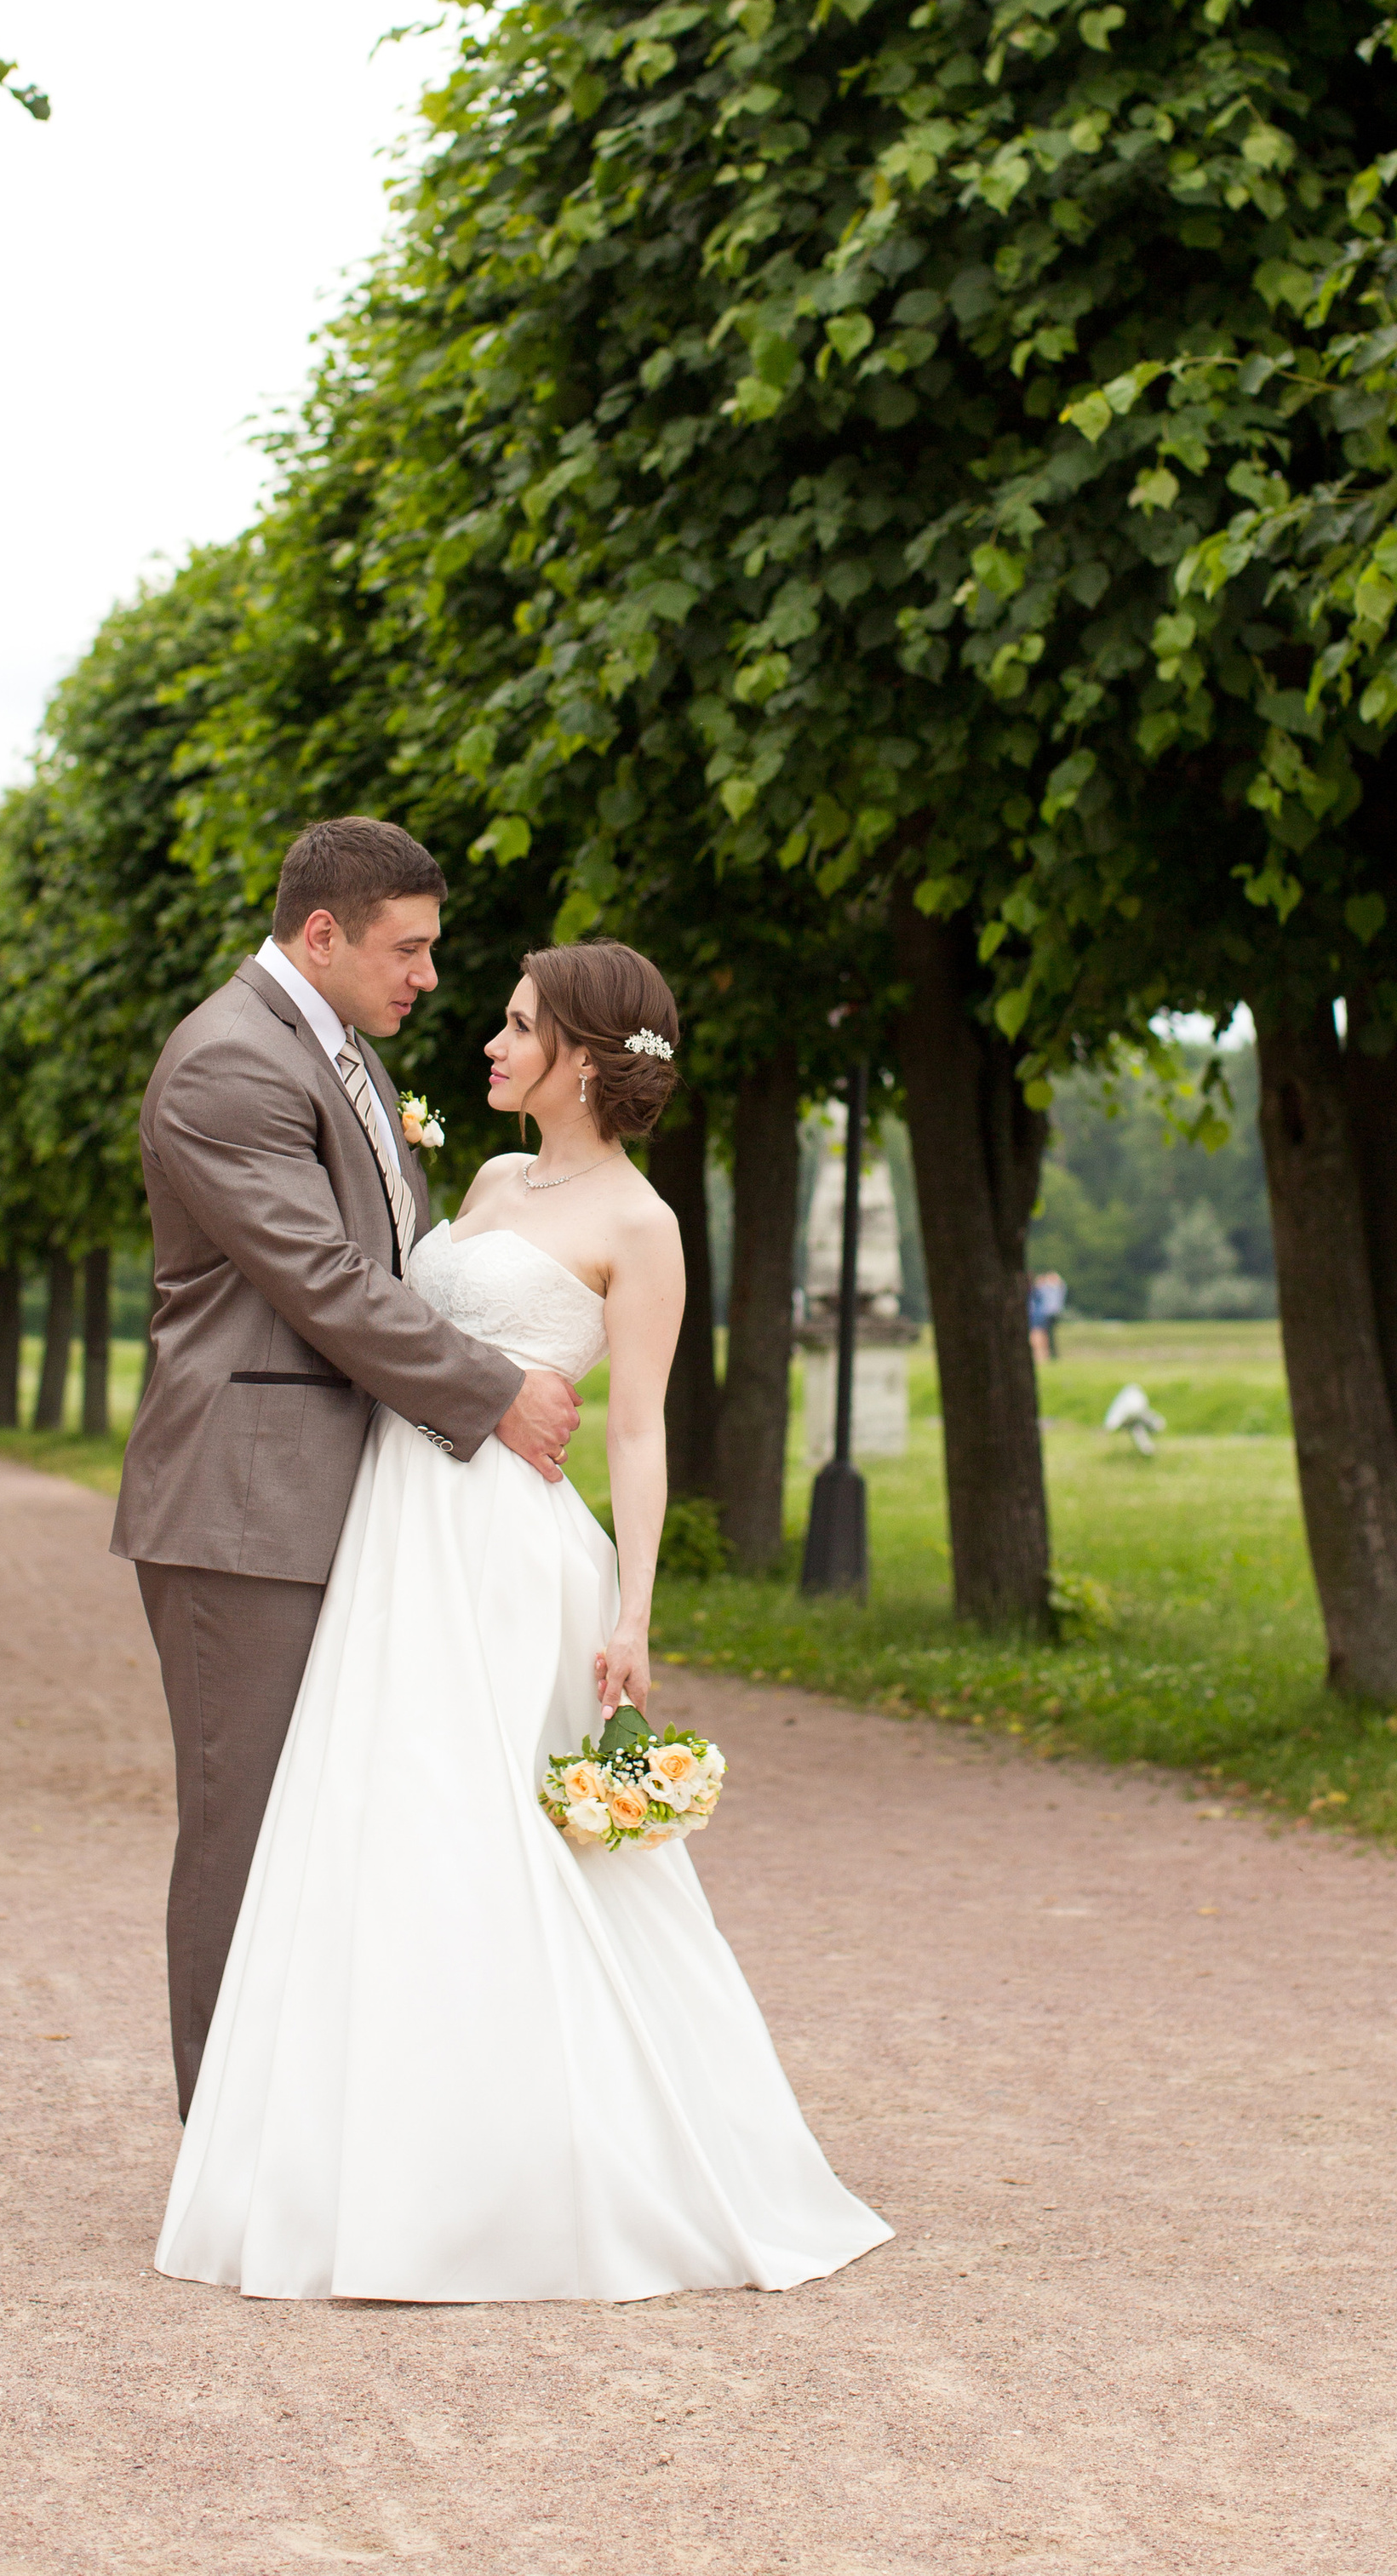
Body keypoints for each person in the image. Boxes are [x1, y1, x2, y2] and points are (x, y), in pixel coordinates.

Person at [151, 928, 891, 2304]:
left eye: (516, 1023)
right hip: (396, 1529)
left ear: (584, 1059)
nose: (487, 1040)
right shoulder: (485, 1175)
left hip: (503, 1550)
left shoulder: (642, 1226)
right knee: (380, 1825)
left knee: (490, 1830)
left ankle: (532, 2169)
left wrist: (636, 1610)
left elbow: (637, 1436)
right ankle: (372, 2156)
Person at [112, 817, 582, 2123]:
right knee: (245, 1825)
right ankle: (226, 2142)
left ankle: (316, 2129)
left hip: (346, 1498)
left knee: (337, 1818)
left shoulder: (348, 1058)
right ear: (321, 935)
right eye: (409, 948)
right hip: (243, 1506)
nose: (430, 976)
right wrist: (492, 1395)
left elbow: (396, 1260)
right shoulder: (225, 1063)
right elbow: (321, 1283)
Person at [1028, 1268, 1067, 1362]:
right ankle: (1047, 1354)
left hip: (1042, 1314)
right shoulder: (1046, 1289)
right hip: (1043, 1314)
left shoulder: (1047, 1289)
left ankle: (1044, 1354)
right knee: (1045, 1334)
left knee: (1042, 1334)